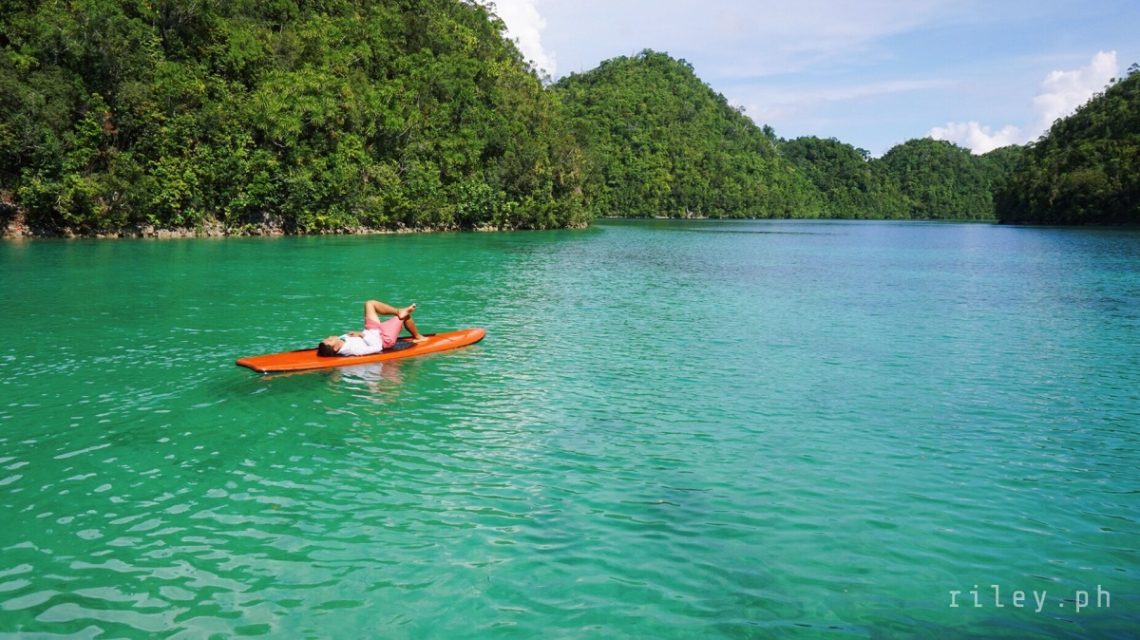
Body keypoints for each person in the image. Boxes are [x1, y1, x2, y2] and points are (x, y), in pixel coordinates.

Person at [317, 300, 427, 357]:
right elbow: (377, 347)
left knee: (370, 303)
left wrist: (361, 333)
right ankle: (418, 336)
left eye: (328, 337)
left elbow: (361, 335)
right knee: (404, 317)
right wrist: (361, 335)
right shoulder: (353, 350)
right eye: (330, 340)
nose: (331, 336)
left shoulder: (341, 340)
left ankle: (398, 311)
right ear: (335, 348)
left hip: (372, 330)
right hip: (383, 339)